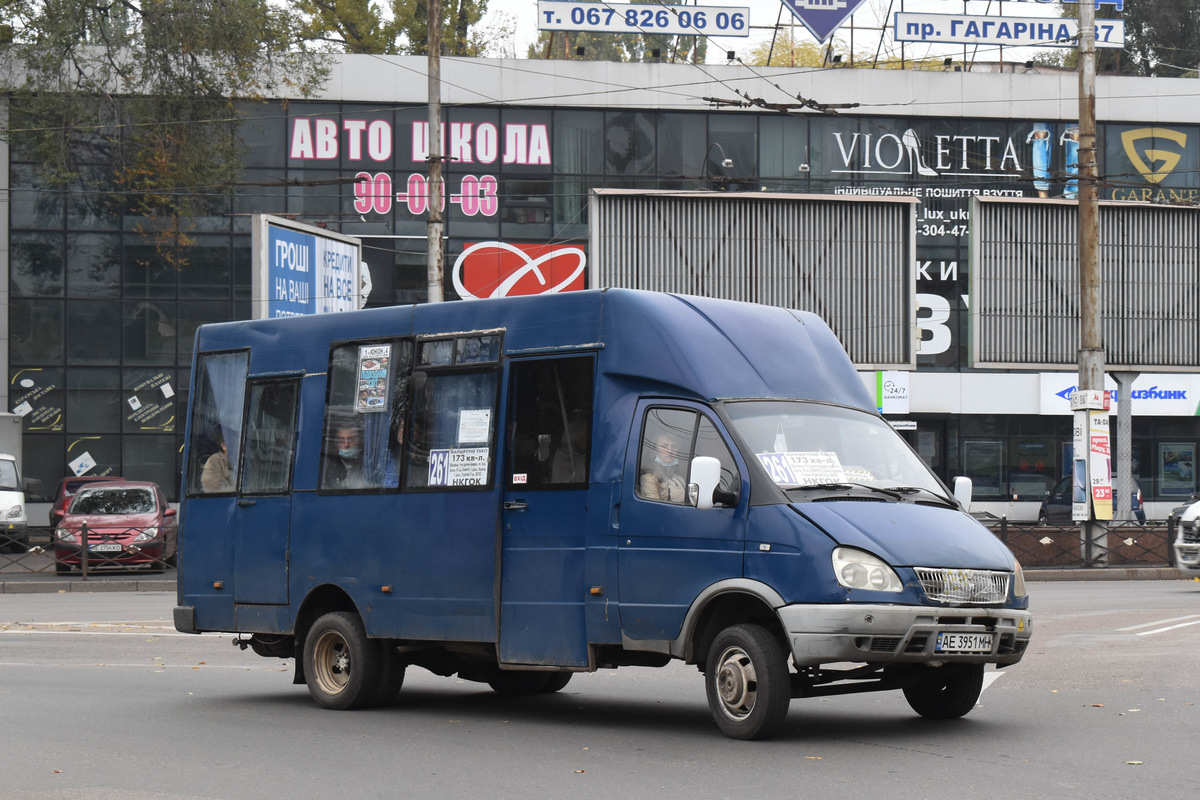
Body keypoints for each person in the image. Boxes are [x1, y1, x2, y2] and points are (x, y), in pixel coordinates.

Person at [639, 431, 687, 502]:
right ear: (654, 450)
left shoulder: (681, 472)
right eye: (664, 446)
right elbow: (654, 508)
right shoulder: (649, 477)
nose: (670, 450)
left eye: (673, 446)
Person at [325, 424, 366, 489]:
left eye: (350, 439)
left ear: (358, 442)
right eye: (341, 440)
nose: (346, 444)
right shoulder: (329, 468)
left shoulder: (367, 465)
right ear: (337, 444)